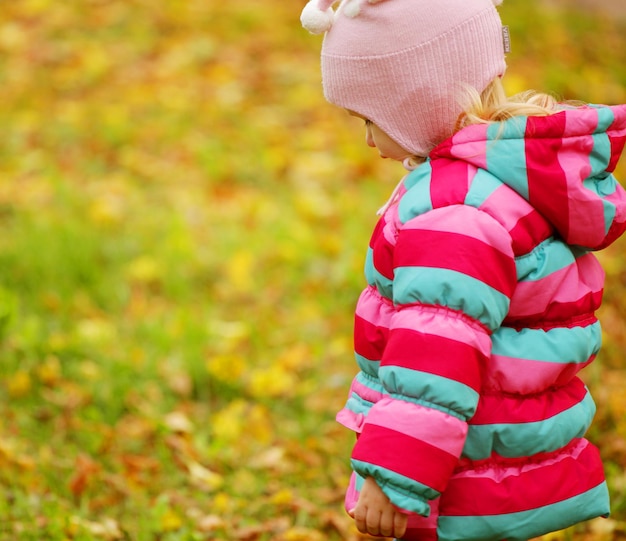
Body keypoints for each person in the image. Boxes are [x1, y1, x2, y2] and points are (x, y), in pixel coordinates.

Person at [300, 1, 626, 540]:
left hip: (457, 472)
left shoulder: (456, 212)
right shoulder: (498, 176)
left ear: (416, 102)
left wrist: (394, 476)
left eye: (369, 119)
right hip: (488, 454)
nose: (366, 139)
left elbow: (435, 360)